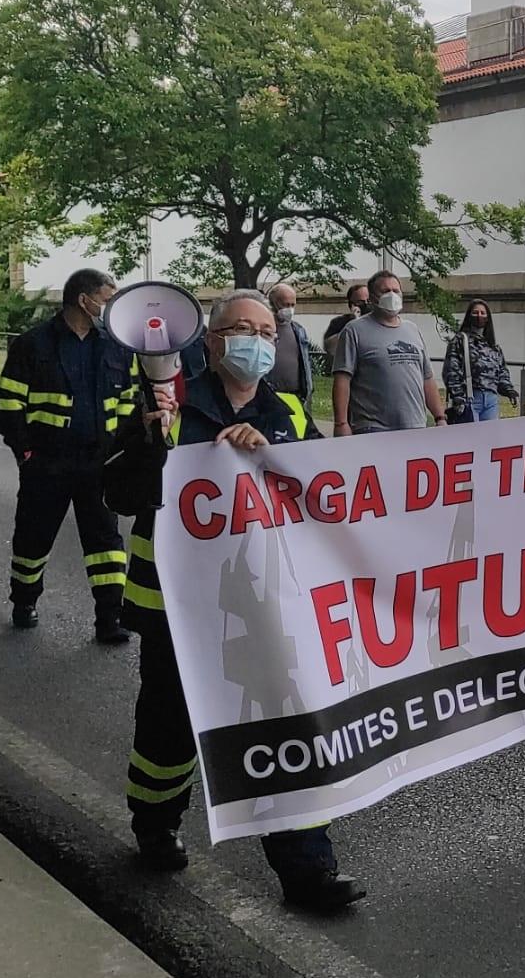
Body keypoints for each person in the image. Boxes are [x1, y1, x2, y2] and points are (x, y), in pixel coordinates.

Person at [103, 288, 366, 911]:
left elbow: (317, 497)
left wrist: (268, 458)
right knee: (169, 721)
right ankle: (156, 822)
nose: (256, 340)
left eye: (266, 332)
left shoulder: (289, 413)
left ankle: (308, 868)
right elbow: (118, 490)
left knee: (284, 721)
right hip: (177, 603)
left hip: (263, 599)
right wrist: (148, 441)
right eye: (241, 328)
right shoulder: (167, 402)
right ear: (213, 341)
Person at [0, 269, 139, 643]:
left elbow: (128, 402)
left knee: (106, 542)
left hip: (99, 463)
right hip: (47, 463)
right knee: (33, 538)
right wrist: (25, 452)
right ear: (84, 300)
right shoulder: (33, 344)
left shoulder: (116, 346)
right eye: (108, 300)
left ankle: (109, 619)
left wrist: (119, 451)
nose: (112, 308)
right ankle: (24, 600)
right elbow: (9, 404)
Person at [331, 271, 448, 436]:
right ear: (371, 298)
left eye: (396, 290)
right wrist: (341, 423)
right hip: (373, 429)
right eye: (385, 291)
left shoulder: (412, 330)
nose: (392, 295)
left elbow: (427, 378)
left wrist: (439, 417)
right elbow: (342, 379)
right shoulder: (354, 331)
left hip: (415, 427)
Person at [443, 298, 518, 422]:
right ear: (469, 316)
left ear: (488, 318)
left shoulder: (493, 346)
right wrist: (458, 396)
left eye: (483, 313)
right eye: (475, 312)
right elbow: (451, 370)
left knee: (489, 439)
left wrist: (509, 391)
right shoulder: (460, 340)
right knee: (470, 439)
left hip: (491, 400)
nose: (479, 316)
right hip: (470, 399)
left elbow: (502, 373)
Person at [266, 282, 314, 416]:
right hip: (271, 397)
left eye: (293, 305)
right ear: (273, 303)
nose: (290, 309)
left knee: (298, 433)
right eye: (286, 305)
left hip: (297, 398)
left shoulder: (298, 330)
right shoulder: (263, 330)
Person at [322, 282, 370, 364]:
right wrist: (353, 323)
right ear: (352, 304)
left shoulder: (377, 320)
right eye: (361, 302)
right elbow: (330, 348)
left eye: (369, 301)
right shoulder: (338, 322)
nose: (366, 304)